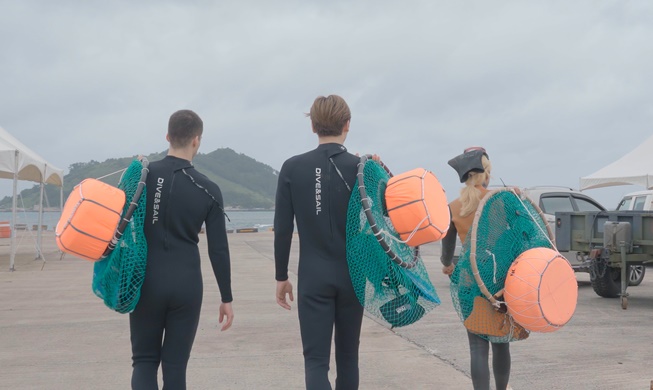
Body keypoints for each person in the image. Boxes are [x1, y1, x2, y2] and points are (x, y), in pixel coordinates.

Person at [130, 109, 234, 390]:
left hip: (145, 281)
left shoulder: (142, 177)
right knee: (175, 366)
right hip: (186, 285)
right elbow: (218, 249)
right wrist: (226, 296)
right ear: (196, 141)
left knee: (144, 361)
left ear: (167, 136)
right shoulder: (209, 189)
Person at [274, 95, 365, 389]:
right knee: (349, 358)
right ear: (347, 125)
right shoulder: (362, 169)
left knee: (315, 361)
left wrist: (281, 276)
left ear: (313, 126)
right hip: (354, 276)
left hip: (313, 276)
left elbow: (283, 228)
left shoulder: (292, 167)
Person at [440, 147, 512, 390]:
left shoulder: (453, 206)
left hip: (469, 282)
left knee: (477, 347)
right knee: (501, 342)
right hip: (498, 281)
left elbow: (447, 250)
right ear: (487, 174)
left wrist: (448, 265)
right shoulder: (500, 200)